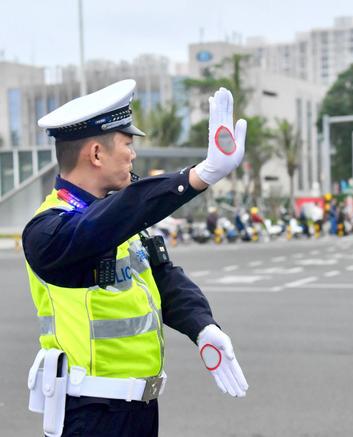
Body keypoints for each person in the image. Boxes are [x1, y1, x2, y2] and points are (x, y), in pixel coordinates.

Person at [22, 80, 249, 437]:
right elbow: (102, 225)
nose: (133, 155)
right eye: (127, 144)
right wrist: (196, 177)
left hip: (140, 410)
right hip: (92, 413)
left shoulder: (118, 221)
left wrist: (202, 326)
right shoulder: (49, 229)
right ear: (96, 154)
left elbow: (162, 276)